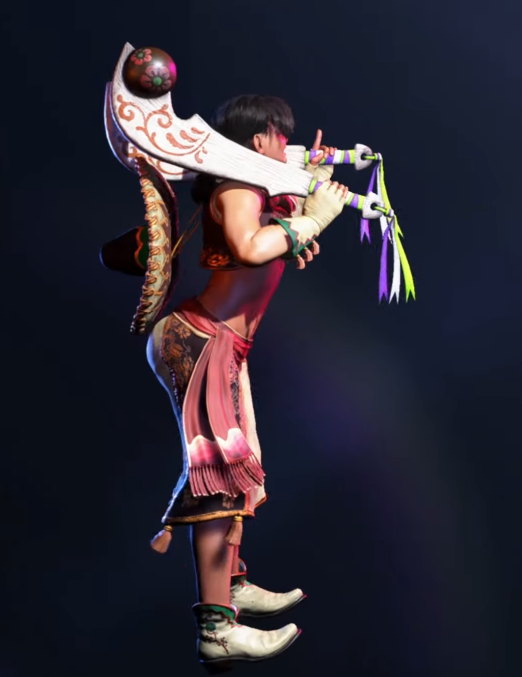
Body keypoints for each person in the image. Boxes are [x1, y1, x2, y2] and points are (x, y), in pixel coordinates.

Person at [146, 94, 348, 671]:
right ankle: (216, 629)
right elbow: (248, 246)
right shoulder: (238, 183)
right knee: (219, 478)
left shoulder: (252, 187)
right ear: (260, 138)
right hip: (201, 338)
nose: (286, 147)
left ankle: (229, 586)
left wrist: (304, 202)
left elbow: (269, 240)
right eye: (281, 138)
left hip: (223, 346)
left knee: (240, 472)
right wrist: (310, 220)